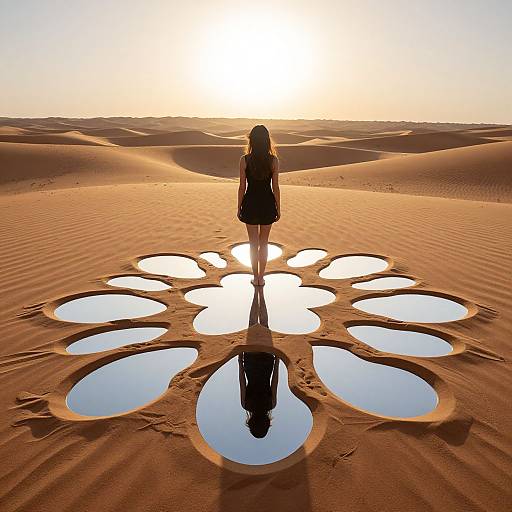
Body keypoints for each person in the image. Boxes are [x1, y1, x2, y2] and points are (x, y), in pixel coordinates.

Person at [237, 125, 280, 286]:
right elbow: (275, 187)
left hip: (250, 204)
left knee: (253, 244)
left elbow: (242, 187)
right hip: (268, 204)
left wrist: (239, 206)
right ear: (267, 140)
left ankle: (255, 277)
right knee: (264, 243)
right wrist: (278, 207)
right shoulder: (273, 160)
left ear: (252, 140)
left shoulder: (244, 160)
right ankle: (261, 277)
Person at [238, 351, 279, 438]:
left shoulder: (271, 404)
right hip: (250, 363)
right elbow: (242, 382)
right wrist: (240, 361)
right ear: (251, 423)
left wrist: (277, 362)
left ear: (267, 424)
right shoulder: (246, 405)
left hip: (267, 363)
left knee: (265, 338)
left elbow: (274, 382)